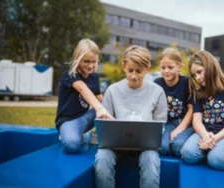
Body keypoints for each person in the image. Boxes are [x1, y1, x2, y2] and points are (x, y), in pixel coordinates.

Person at [94, 45, 168, 188]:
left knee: (151, 160)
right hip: (115, 144)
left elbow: (160, 123)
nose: (134, 76)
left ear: (148, 68)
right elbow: (106, 121)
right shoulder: (113, 90)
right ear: (123, 66)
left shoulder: (157, 91)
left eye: (139, 71)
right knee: (102, 158)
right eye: (130, 70)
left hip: (146, 147)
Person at [181, 50, 224, 170]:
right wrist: (205, 136)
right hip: (205, 133)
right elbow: (197, 121)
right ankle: (210, 153)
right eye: (194, 75)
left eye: (199, 72)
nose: (197, 78)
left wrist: (215, 138)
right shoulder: (197, 94)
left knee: (217, 160)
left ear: (210, 67)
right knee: (187, 154)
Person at [55, 38, 112, 154]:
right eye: (86, 61)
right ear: (78, 59)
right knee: (73, 145)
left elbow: (100, 99)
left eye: (94, 61)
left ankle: (95, 133)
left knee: (109, 102)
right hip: (69, 121)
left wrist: (111, 111)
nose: (91, 66)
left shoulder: (94, 77)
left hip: (86, 118)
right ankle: (71, 135)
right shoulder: (70, 73)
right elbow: (83, 88)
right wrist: (100, 109)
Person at [154, 48, 194, 157]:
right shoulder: (157, 83)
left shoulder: (187, 82)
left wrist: (179, 129)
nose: (166, 71)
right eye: (163, 67)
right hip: (166, 123)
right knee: (163, 148)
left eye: (170, 67)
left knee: (178, 146)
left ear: (179, 67)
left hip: (184, 123)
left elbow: (191, 109)